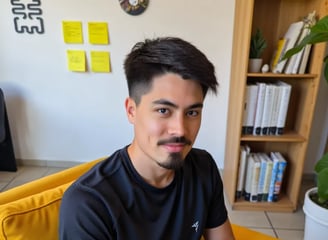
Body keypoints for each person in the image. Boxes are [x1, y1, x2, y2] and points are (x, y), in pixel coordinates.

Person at [59, 37, 235, 240]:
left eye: (192, 113)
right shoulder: (89, 204)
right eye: (163, 110)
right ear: (131, 111)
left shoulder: (204, 169)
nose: (180, 130)